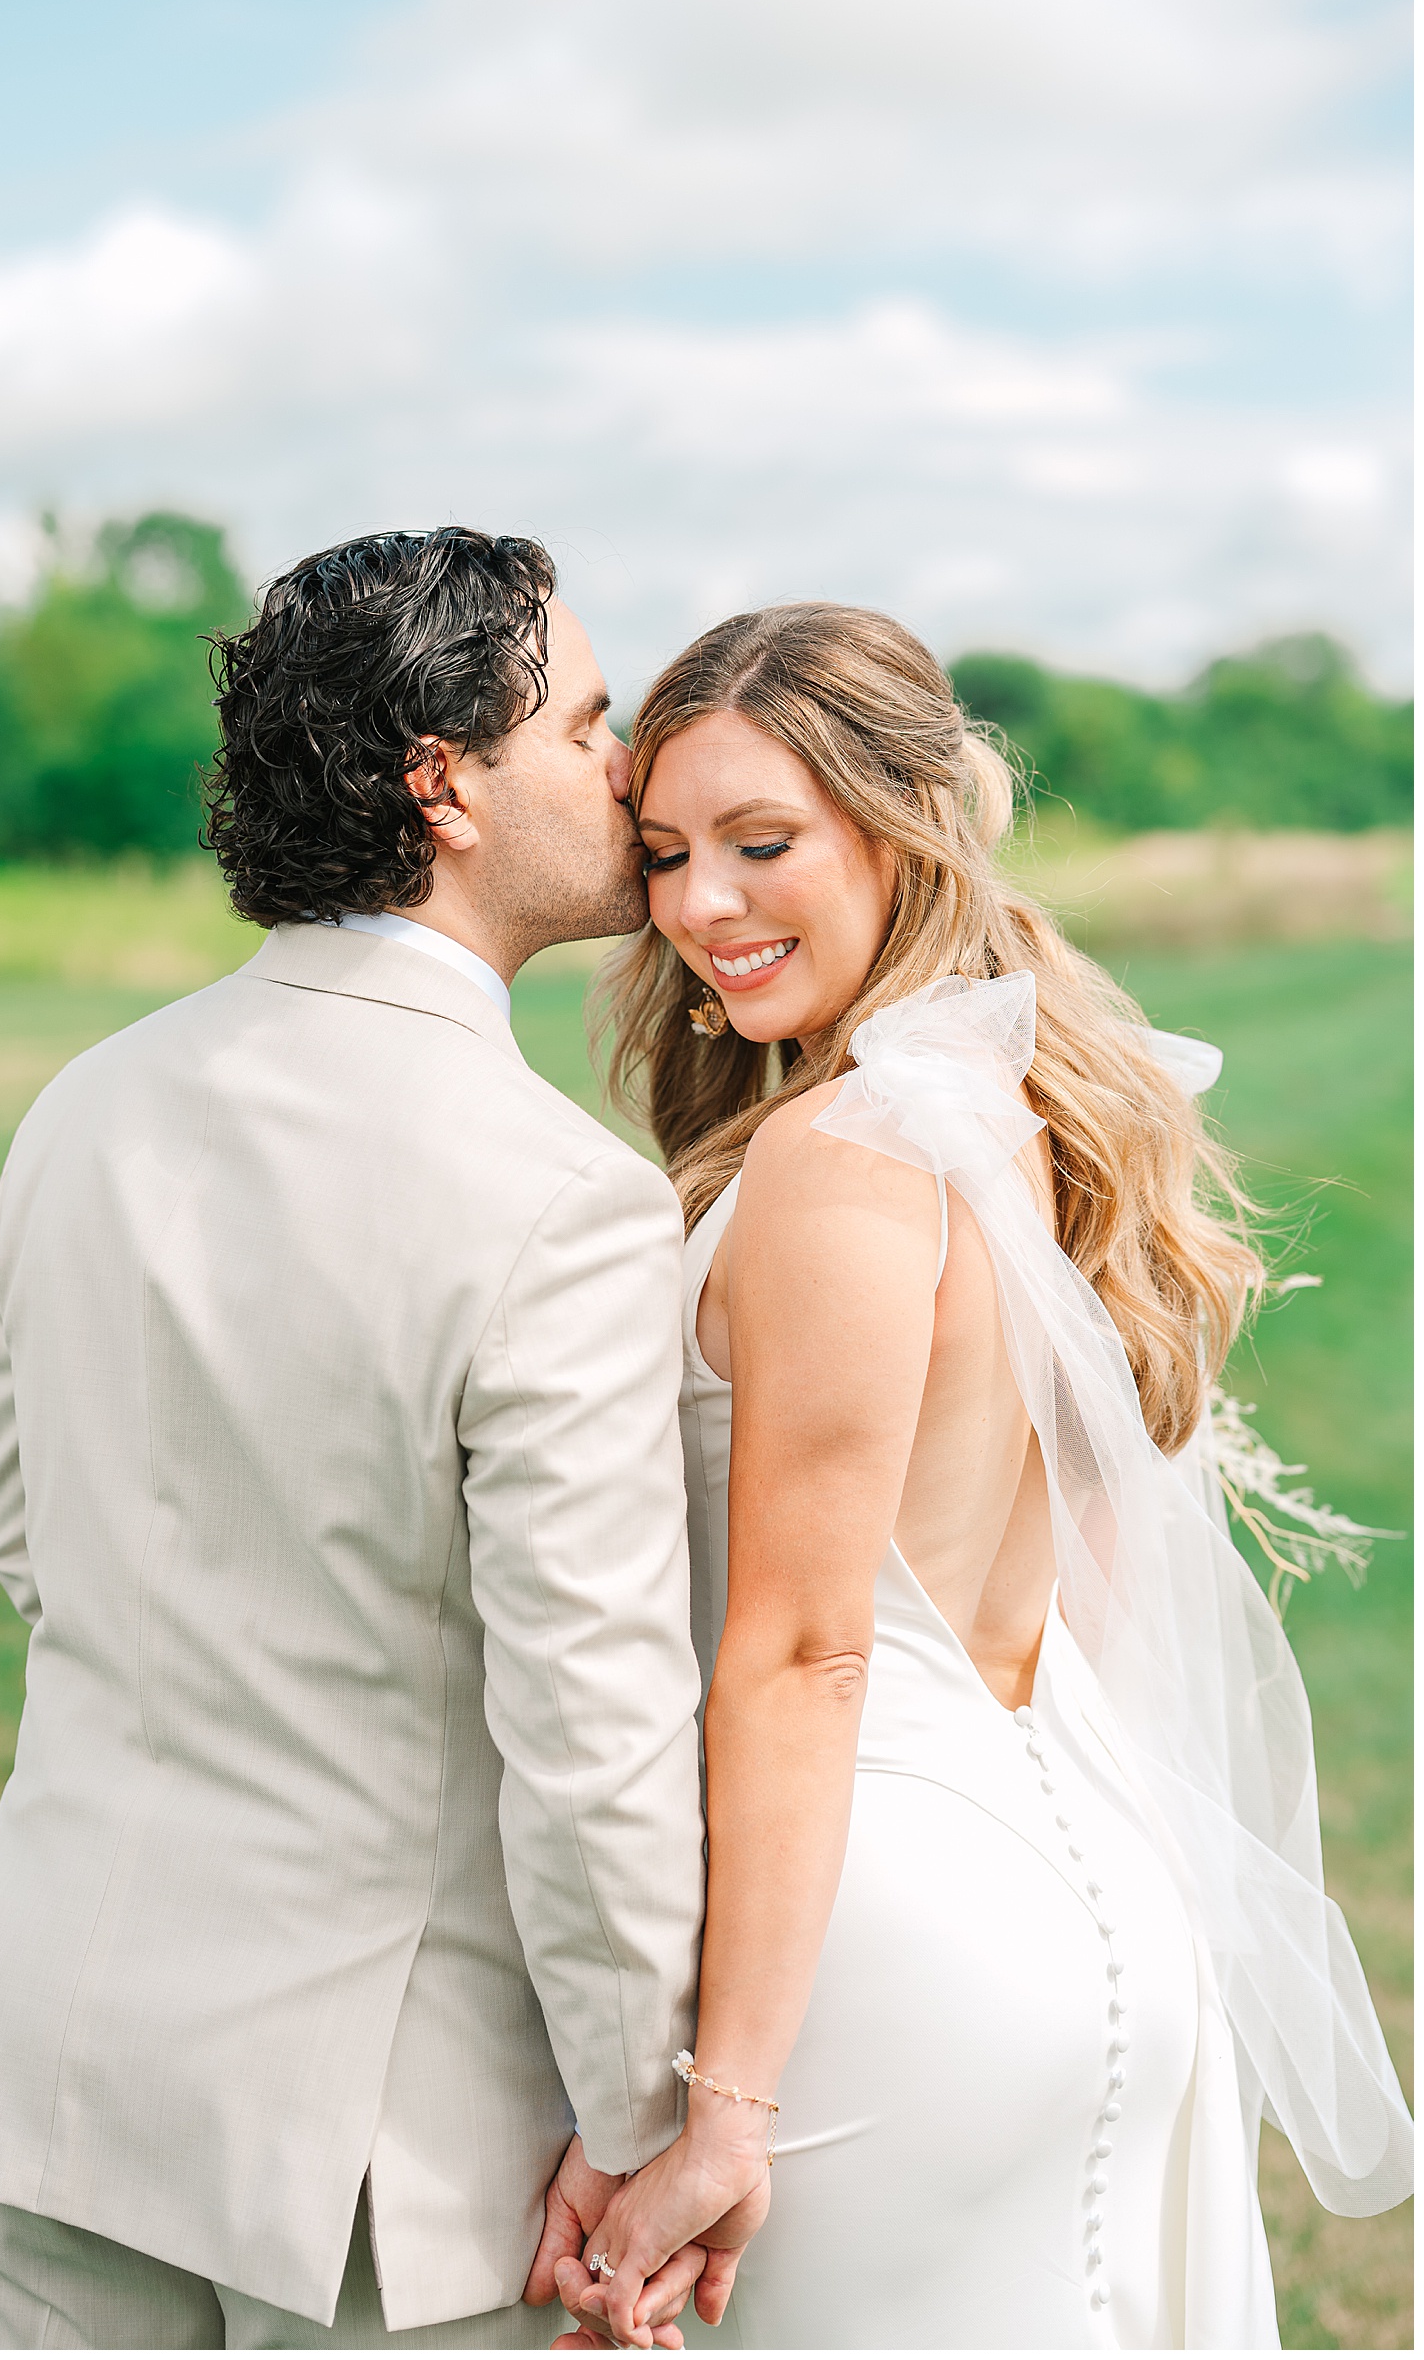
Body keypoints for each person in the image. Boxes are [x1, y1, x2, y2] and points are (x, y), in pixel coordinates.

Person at [0, 528, 711, 2351]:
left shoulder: (87, 1104)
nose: (627, 767)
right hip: (373, 2146)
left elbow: (31, 1534)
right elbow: (592, 1736)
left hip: (60, 2055)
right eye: (583, 723)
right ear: (445, 782)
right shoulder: (562, 1200)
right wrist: (644, 2123)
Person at [557, 604, 1413, 2351]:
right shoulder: (1009, 1116)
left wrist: (724, 2102)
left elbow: (807, 1650)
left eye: (762, 842)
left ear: (904, 824)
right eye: (664, 854)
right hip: (1075, 1868)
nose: (703, 904)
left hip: (882, 1945)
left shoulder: (838, 1162)